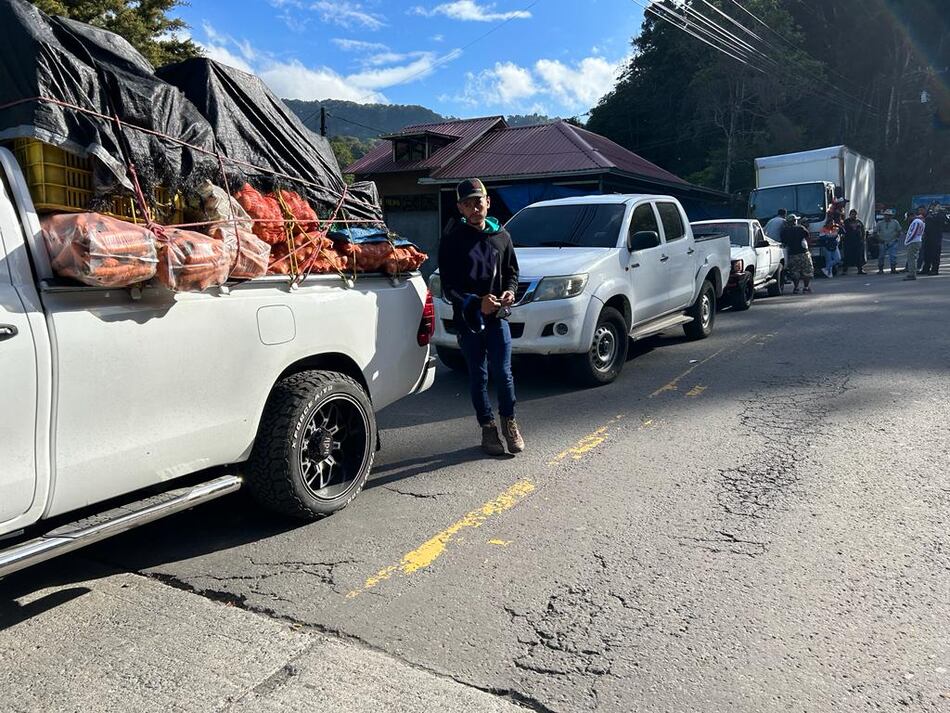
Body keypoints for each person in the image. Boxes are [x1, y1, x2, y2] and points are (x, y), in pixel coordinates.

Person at [438, 178, 525, 455]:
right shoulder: (452, 239)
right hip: (469, 322)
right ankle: (488, 428)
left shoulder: (502, 236)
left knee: (504, 372)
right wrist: (476, 303)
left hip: (498, 317)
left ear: (488, 202)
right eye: (468, 203)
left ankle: (509, 422)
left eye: (479, 201)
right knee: (479, 376)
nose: (475, 207)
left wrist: (509, 292)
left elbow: (512, 272)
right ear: (460, 208)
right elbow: (448, 287)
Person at [780, 214, 814, 294]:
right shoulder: (800, 228)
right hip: (803, 252)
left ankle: (796, 288)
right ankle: (806, 288)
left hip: (792, 254)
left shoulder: (784, 231)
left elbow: (784, 241)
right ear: (795, 221)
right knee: (807, 271)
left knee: (795, 272)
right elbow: (807, 235)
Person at [920, 203, 947, 275]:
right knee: (926, 254)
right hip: (927, 236)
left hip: (936, 237)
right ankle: (926, 268)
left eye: (936, 206)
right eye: (933, 205)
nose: (934, 207)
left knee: (935, 255)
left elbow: (942, 221)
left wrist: (938, 212)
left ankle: (935, 270)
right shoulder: (929, 213)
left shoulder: (941, 214)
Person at [874, 209, 902, 274]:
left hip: (892, 242)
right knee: (881, 256)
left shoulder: (895, 222)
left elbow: (899, 231)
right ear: (884, 216)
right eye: (886, 215)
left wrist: (896, 238)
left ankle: (893, 269)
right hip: (883, 242)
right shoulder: (880, 223)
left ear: (891, 216)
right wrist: (879, 239)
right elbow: (875, 232)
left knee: (893, 256)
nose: (887, 217)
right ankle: (880, 269)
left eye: (889, 215)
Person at [902, 206, 926, 281]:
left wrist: (907, 241)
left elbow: (914, 233)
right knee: (913, 258)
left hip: (913, 242)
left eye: (908, 218)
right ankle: (912, 273)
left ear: (911, 216)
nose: (908, 220)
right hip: (917, 241)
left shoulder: (916, 222)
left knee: (911, 259)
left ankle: (911, 274)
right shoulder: (920, 221)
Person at [840, 208, 867, 275]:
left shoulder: (859, 222)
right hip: (848, 242)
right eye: (852, 214)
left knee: (859, 256)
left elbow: (863, 231)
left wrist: (863, 239)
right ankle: (844, 270)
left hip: (858, 242)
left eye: (855, 214)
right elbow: (842, 231)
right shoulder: (846, 222)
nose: (854, 216)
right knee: (847, 256)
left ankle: (860, 269)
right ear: (849, 215)